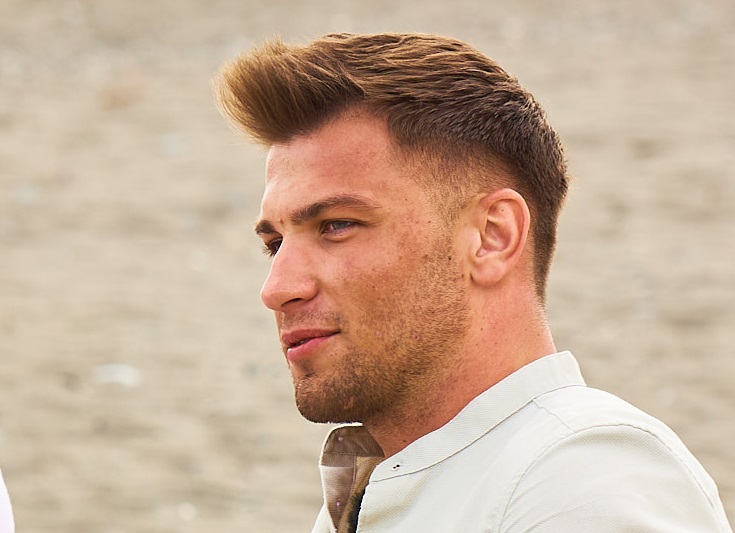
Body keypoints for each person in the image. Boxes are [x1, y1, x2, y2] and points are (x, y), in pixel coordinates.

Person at [215, 33, 732, 533]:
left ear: (492, 237)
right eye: (275, 244)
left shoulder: (580, 481)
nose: (276, 288)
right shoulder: (385, 487)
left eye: (337, 225)